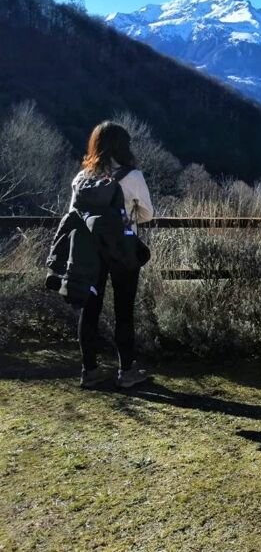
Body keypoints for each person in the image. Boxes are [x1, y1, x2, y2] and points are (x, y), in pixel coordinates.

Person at [71, 121, 154, 389]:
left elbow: (74, 215)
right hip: (123, 250)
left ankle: (89, 370)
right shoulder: (132, 177)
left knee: (89, 309)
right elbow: (147, 213)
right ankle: (126, 371)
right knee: (124, 311)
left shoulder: (81, 178)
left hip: (90, 251)